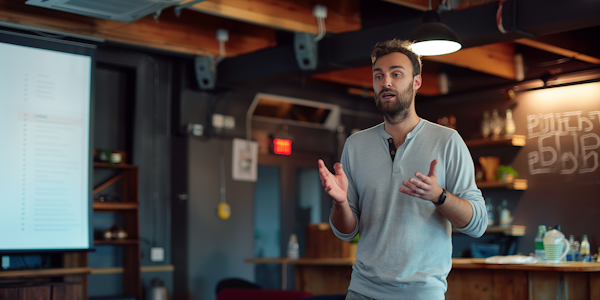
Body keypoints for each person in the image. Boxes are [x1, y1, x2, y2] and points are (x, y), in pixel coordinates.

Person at [318, 39, 487, 300]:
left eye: (396, 74)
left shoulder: (447, 141)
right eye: (379, 76)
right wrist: (341, 204)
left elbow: (477, 224)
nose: (386, 82)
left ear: (416, 82)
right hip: (362, 292)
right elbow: (346, 231)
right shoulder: (355, 145)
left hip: (421, 293)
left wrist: (439, 196)